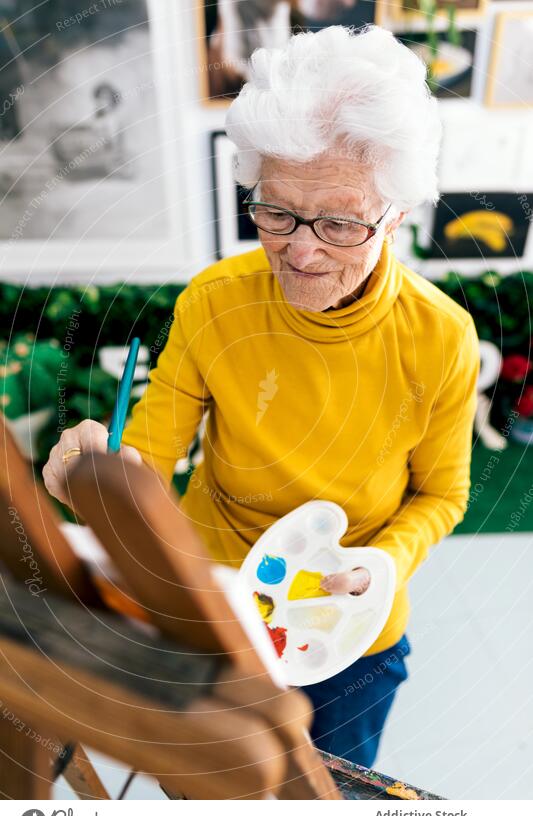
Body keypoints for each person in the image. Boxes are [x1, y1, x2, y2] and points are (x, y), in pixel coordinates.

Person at [43, 25, 479, 769]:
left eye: (339, 223)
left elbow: (442, 494)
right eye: (275, 211)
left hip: (347, 628)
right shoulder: (215, 302)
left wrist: (380, 565)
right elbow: (147, 453)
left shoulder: (441, 335)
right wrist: (99, 477)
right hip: (213, 605)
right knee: (223, 786)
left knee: (326, 797)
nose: (300, 251)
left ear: (396, 215)